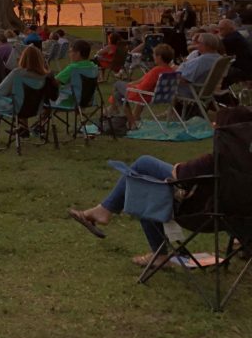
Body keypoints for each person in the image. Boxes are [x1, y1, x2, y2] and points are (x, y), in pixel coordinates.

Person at [67, 107, 252, 267]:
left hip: (198, 215)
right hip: (234, 220)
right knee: (148, 175)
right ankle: (104, 211)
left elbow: (178, 174)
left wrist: (180, 168)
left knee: (145, 169)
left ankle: (153, 248)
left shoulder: (213, 161)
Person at [0, 45, 49, 148]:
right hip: (35, 109)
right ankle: (23, 130)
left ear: (23, 58)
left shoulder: (17, 73)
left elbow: (1, 91)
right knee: (19, 99)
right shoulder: (44, 76)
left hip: (17, 108)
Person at [113, 44, 176, 129]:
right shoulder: (171, 71)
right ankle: (132, 121)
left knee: (117, 84)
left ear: (159, 57)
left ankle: (116, 110)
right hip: (162, 97)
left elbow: (143, 88)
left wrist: (132, 86)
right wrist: (133, 84)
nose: (153, 57)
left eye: (154, 55)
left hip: (143, 95)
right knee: (117, 95)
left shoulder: (156, 70)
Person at [218, 19, 252, 95]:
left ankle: (224, 96)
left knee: (220, 72)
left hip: (243, 70)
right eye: (219, 28)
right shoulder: (235, 36)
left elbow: (215, 47)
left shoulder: (231, 39)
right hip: (245, 68)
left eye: (222, 28)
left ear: (230, 29)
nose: (219, 30)